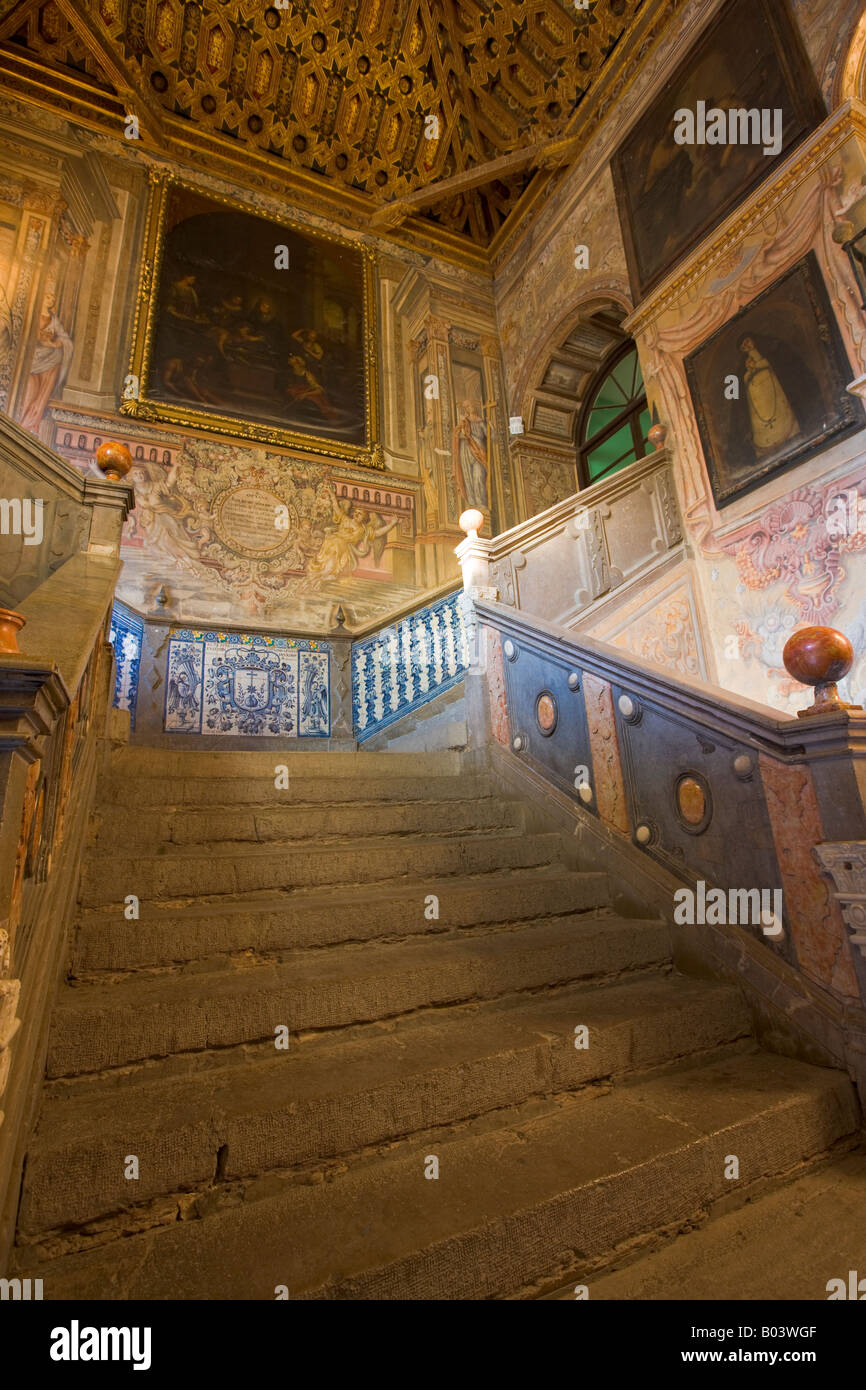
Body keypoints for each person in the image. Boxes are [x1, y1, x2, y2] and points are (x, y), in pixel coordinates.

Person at [18, 291, 74, 434]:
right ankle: (20, 422)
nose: (50, 301)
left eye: (53, 298)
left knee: (42, 392)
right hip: (30, 360)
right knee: (30, 389)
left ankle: (31, 423)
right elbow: (23, 333)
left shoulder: (53, 319)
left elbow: (64, 339)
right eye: (48, 297)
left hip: (49, 362)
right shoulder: (33, 314)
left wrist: (55, 344)